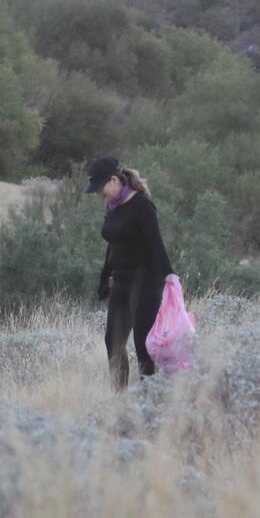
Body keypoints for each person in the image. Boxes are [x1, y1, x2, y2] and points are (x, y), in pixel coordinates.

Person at [87, 157, 177, 391]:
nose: (99, 194)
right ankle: (120, 400)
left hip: (147, 278)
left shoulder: (141, 205)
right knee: (113, 341)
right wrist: (104, 277)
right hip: (122, 279)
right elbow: (114, 243)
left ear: (114, 180)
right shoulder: (114, 206)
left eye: (100, 187)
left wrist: (169, 273)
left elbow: (155, 240)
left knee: (142, 343)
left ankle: (149, 401)